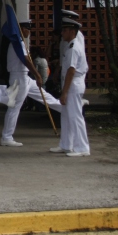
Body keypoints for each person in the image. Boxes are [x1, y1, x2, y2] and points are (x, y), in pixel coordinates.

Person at [2, 20, 62, 147]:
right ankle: (6, 137)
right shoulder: (17, 42)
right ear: (21, 29)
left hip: (24, 77)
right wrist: (37, 74)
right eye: (27, 28)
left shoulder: (20, 41)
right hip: (19, 77)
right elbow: (26, 60)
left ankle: (66, 109)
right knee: (15, 107)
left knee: (46, 97)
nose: (29, 31)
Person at [50, 17, 90, 157]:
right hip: (70, 84)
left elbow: (71, 71)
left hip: (73, 85)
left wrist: (64, 93)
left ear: (73, 32)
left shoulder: (73, 48)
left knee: (75, 116)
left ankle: (82, 147)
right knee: (66, 116)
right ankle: (66, 144)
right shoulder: (69, 46)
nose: (62, 33)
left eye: (65, 31)